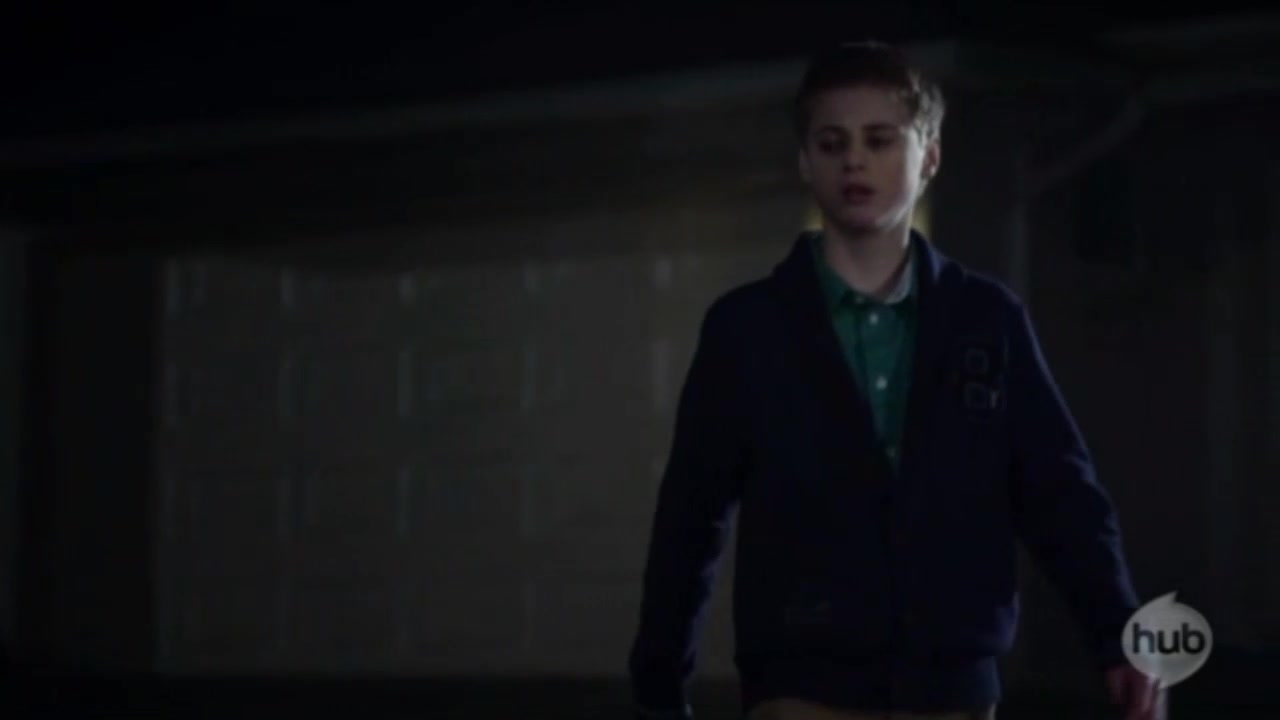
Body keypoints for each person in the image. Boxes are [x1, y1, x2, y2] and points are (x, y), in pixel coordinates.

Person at [626, 41, 1162, 720]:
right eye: (832, 143)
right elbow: (690, 515)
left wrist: (1118, 634)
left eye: (879, 140)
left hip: (950, 686)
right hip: (800, 682)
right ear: (805, 161)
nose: (854, 161)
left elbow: (1059, 491)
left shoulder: (986, 320)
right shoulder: (748, 329)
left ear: (929, 155)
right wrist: (659, 681)